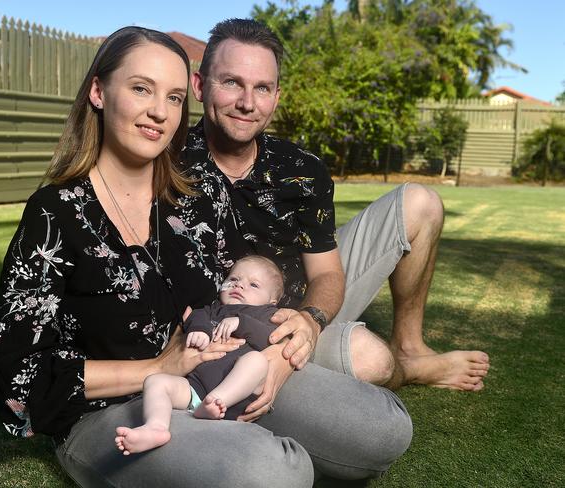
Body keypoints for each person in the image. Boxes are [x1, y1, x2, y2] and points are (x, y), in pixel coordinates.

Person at [0, 26, 322, 488]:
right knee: (278, 471)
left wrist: (276, 351)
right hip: (112, 411)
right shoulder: (55, 214)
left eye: (176, 98)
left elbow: (245, 292)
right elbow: (16, 378)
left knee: (377, 429)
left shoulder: (199, 196)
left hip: (220, 376)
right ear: (99, 92)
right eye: (142, 88)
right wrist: (156, 368)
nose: (159, 112)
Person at [183, 18, 489, 398]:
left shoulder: (301, 168)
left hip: (297, 308)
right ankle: (407, 368)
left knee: (421, 202)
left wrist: (310, 322)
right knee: (373, 361)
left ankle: (410, 345)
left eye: (262, 88)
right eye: (231, 82)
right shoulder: (165, 161)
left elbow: (326, 272)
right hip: (224, 329)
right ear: (199, 85)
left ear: (276, 97)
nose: (247, 103)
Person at [114, 255, 284, 455]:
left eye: (253, 285)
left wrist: (242, 323)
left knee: (256, 361)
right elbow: (196, 318)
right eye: (234, 279)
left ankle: (217, 401)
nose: (239, 286)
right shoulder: (213, 309)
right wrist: (200, 331)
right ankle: (155, 427)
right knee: (155, 381)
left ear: (272, 301)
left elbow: (272, 338)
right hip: (194, 388)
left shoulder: (267, 315)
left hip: (236, 395)